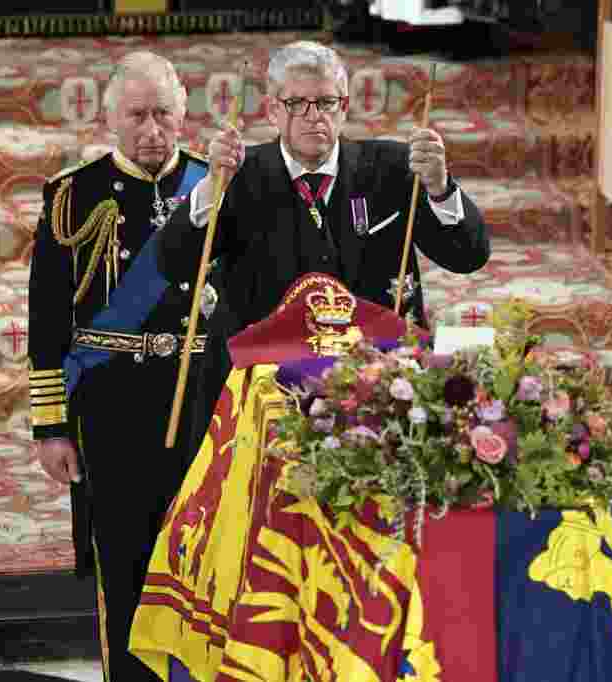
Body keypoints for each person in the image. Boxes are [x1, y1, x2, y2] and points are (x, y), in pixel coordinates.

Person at [27, 50, 226, 682]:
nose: (152, 130)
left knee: (206, 553)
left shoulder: (216, 186)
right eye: (137, 115)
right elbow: (48, 319)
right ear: (110, 117)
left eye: (163, 114)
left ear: (183, 112)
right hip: (110, 405)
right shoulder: (73, 196)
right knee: (124, 559)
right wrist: (51, 426)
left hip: (200, 394)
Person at [159, 40, 490, 339]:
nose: (313, 116)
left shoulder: (394, 168)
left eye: (326, 102)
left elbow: (467, 257)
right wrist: (210, 190)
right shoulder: (236, 175)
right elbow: (172, 264)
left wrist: (440, 188)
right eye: (296, 103)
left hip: (376, 369)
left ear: (344, 107)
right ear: (273, 110)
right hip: (265, 371)